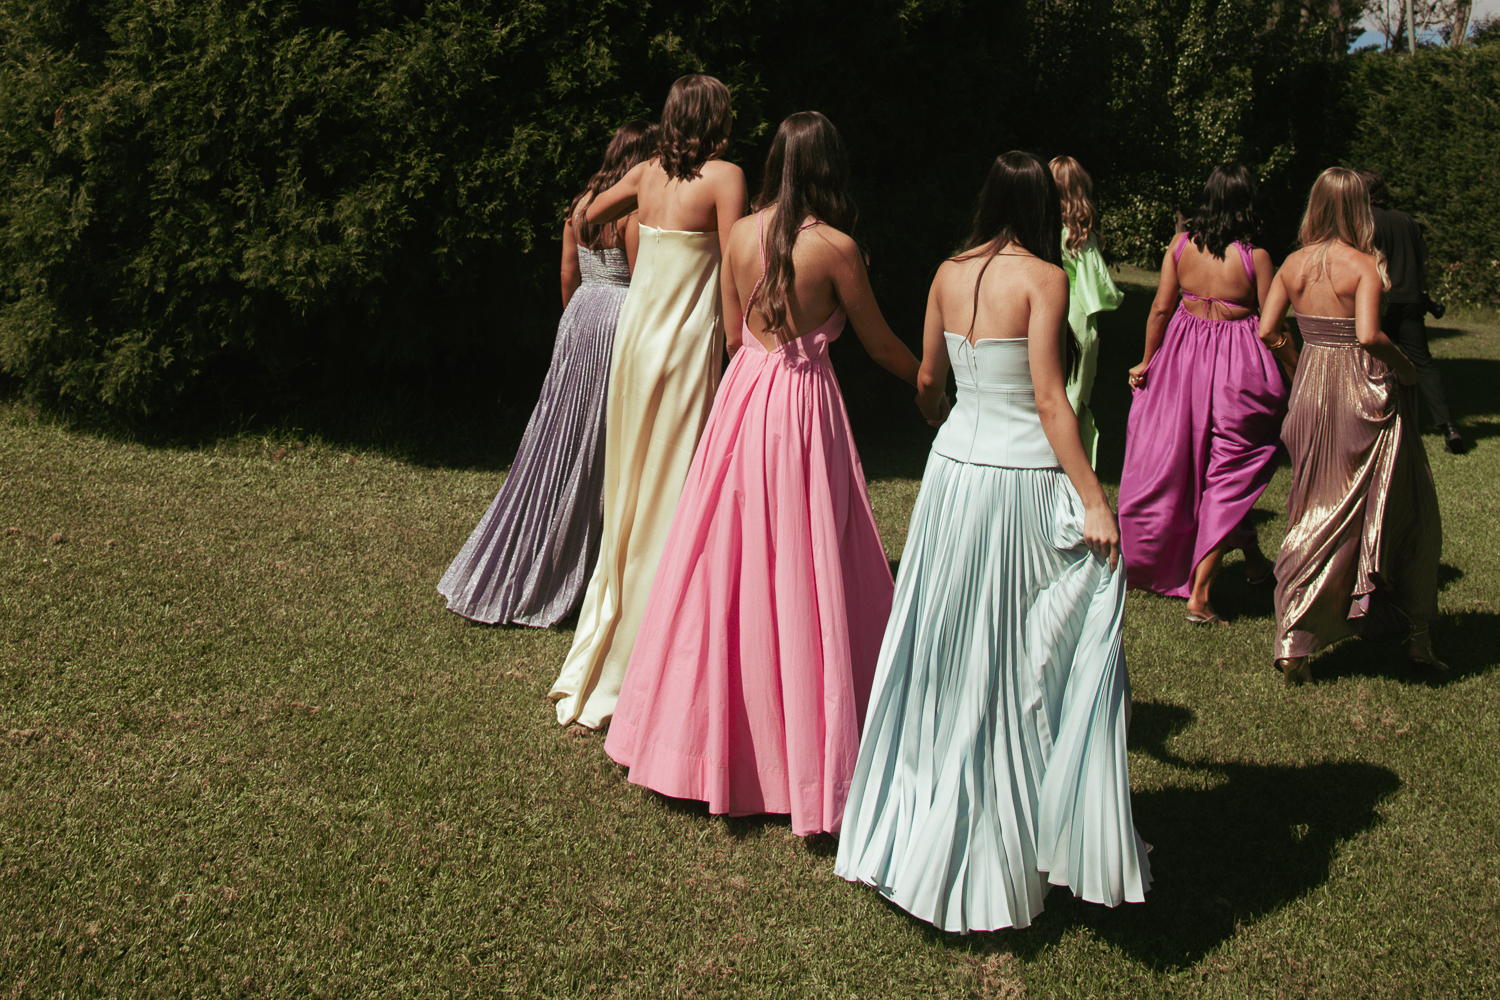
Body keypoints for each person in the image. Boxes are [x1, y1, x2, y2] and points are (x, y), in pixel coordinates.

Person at [834, 151, 1151, 933]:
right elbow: (1050, 399)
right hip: (1017, 483)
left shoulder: (947, 272)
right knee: (1014, 649)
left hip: (952, 478)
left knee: (943, 646)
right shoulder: (1046, 278)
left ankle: (932, 813)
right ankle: (1013, 825)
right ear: (1042, 206)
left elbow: (928, 381)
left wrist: (944, 421)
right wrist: (1095, 499)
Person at [603, 112, 930, 836]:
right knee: (804, 558)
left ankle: (695, 739)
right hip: (802, 407)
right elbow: (879, 343)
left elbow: (731, 332)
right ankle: (801, 747)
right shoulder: (835, 247)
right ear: (829, 168)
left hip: (744, 398)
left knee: (725, 556)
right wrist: (930, 384)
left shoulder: (742, 234)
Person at [547, 75, 747, 728]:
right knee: (672, 484)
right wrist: (739, 344)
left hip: (635, 341)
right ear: (715, 119)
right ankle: (653, 640)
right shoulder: (726, 179)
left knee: (631, 483)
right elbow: (737, 266)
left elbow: (585, 214)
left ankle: (614, 622)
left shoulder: (645, 174)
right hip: (685, 344)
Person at [438, 121, 657, 627]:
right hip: (617, 318)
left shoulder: (581, 205)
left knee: (562, 429)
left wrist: (574, 325)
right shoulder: (632, 211)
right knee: (602, 438)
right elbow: (642, 281)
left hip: (578, 318)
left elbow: (567, 275)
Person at [1261, 167, 1443, 686]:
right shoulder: (1363, 265)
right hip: (1363, 393)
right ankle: (1416, 636)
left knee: (1312, 506)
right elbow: (1368, 336)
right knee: (1404, 504)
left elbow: (1268, 329)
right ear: (1358, 209)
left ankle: (1295, 641)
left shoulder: (1292, 264)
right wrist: (1405, 370)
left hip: (1310, 392)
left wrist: (1300, 363)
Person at [1117, 163, 1287, 625]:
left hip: (1182, 360)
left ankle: (1253, 561)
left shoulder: (1180, 246)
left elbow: (1160, 308)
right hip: (1239, 368)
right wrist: (1296, 368)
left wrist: (1146, 360)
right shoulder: (1257, 257)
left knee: (1183, 460)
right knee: (1231, 467)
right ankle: (1201, 594)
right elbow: (1273, 324)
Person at [1361, 169, 1467, 455]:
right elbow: (1424, 261)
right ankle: (1449, 427)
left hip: (1377, 301)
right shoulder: (1406, 219)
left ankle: (1371, 424)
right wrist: (1422, 292)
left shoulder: (1362, 221)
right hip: (1409, 300)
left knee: (1368, 361)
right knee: (1424, 364)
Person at [1049, 156, 1123, 465]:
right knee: (1073, 397)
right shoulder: (1079, 237)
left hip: (1043, 311)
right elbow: (1099, 286)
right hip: (1076, 315)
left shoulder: (1041, 232)